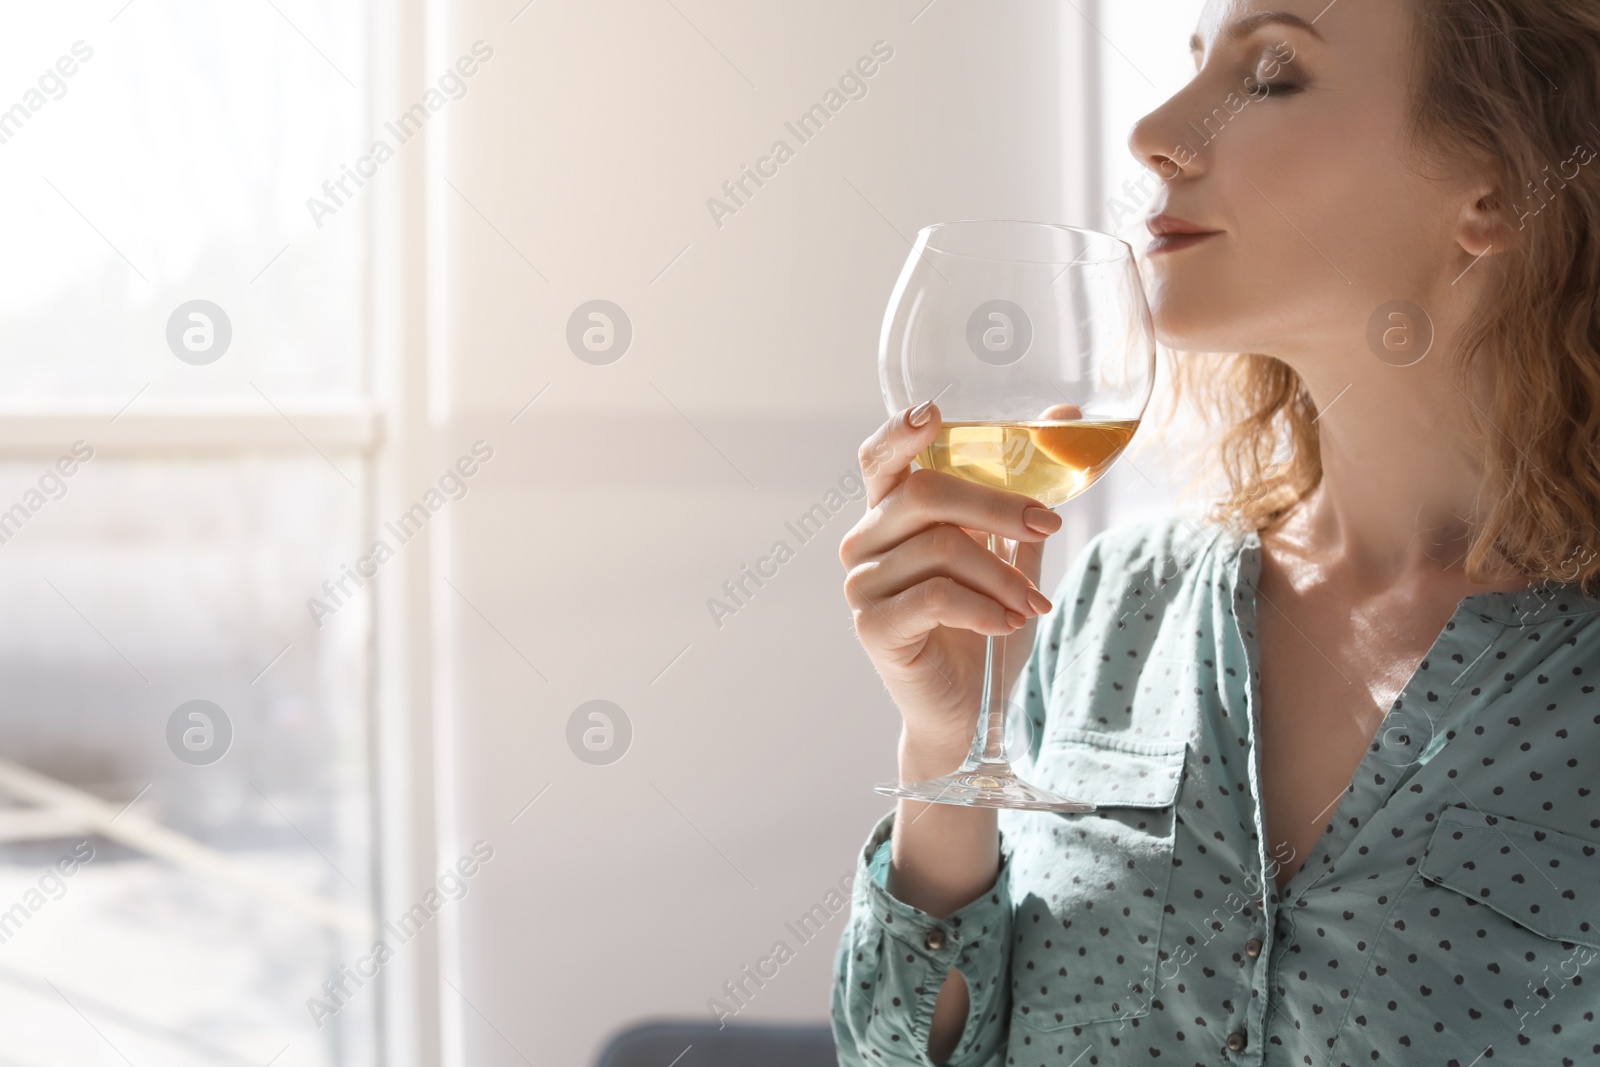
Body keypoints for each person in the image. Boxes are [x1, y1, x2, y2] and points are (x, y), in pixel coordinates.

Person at [831, 1, 1600, 1064]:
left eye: (1272, 74)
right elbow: (904, 1054)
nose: (1153, 131)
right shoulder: (1115, 600)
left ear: (1499, 187)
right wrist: (948, 743)